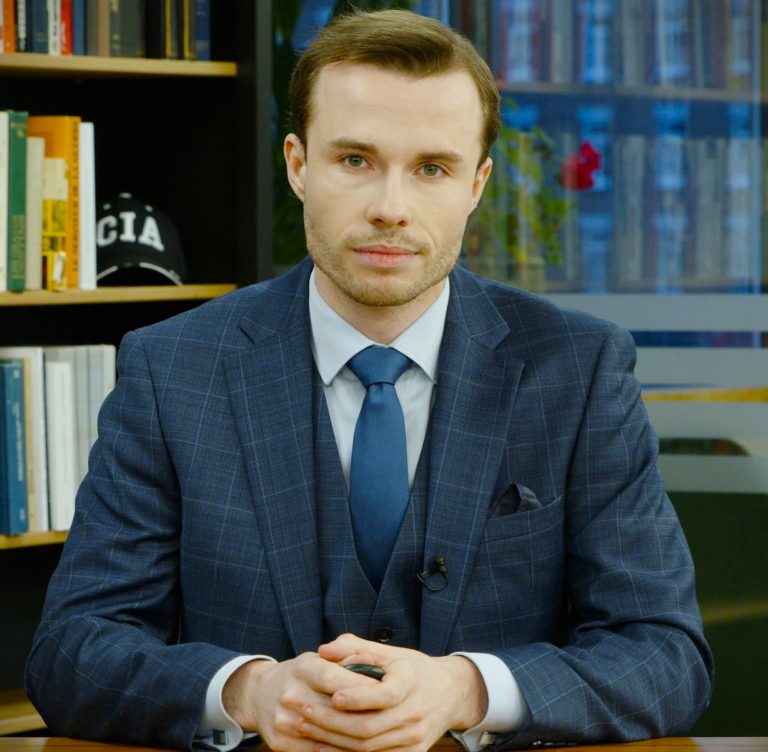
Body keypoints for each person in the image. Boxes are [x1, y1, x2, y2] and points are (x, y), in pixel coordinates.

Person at [25, 9, 713, 752]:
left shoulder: (580, 368)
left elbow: (666, 657)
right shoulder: (171, 368)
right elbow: (71, 652)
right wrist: (248, 692)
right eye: (355, 160)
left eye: (432, 168)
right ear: (297, 165)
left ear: (477, 183)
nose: (390, 209)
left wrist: (467, 690)